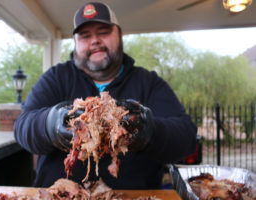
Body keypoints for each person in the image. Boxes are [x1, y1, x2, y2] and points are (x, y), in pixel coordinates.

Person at [14, 2, 197, 189]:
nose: (95, 41)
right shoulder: (56, 78)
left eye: (103, 32)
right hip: (60, 194)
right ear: (75, 43)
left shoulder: (148, 82)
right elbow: (22, 127)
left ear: (120, 36)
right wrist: (50, 124)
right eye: (85, 36)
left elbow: (187, 138)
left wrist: (149, 131)